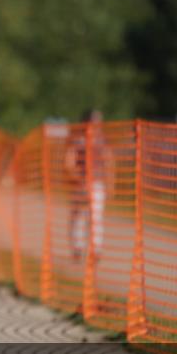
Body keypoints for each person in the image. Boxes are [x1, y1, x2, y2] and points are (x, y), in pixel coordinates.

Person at [64, 109, 109, 263]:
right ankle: (81, 249)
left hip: (95, 184)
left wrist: (109, 182)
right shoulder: (80, 140)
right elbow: (69, 160)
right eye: (95, 120)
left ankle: (92, 250)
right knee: (82, 217)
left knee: (92, 218)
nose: (98, 124)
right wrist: (76, 177)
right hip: (83, 184)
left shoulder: (100, 140)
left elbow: (108, 161)